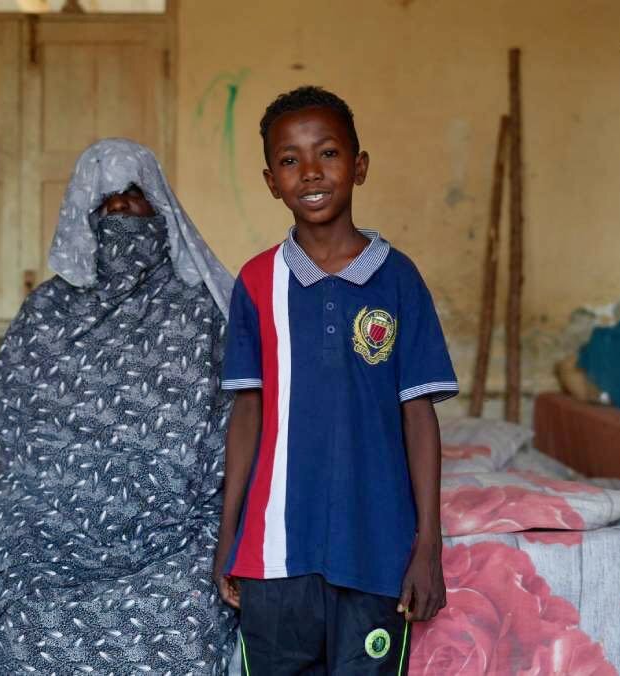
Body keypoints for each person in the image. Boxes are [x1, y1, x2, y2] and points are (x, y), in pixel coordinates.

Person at [0, 139, 239, 675]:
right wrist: (68, 490)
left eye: (133, 197)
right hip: (52, 516)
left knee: (184, 614)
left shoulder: (200, 309)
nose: (120, 212)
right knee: (25, 605)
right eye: (105, 204)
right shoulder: (48, 311)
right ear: (82, 217)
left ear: (161, 209)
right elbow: (21, 426)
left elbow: (228, 425)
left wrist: (169, 491)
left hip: (172, 521)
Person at [213, 86, 458, 675]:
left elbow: (418, 414)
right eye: (291, 160)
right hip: (274, 553)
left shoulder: (398, 280)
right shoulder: (255, 282)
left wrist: (428, 544)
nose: (311, 172)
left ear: (360, 165)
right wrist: (230, 536)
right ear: (272, 180)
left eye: (328, 153)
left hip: (376, 549)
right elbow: (248, 413)